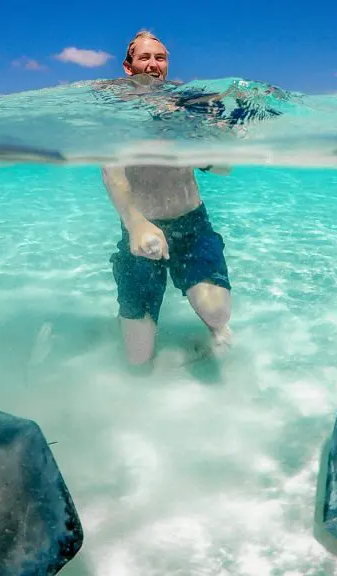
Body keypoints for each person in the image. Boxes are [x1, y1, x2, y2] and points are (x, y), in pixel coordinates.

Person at [102, 30, 233, 366]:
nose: (153, 64)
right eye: (144, 57)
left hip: (192, 225)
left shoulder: (188, 105)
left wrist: (199, 150)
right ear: (128, 66)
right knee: (138, 358)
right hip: (140, 226)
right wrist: (134, 224)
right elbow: (111, 171)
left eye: (159, 58)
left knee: (217, 314)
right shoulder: (113, 108)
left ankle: (216, 329)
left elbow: (225, 168)